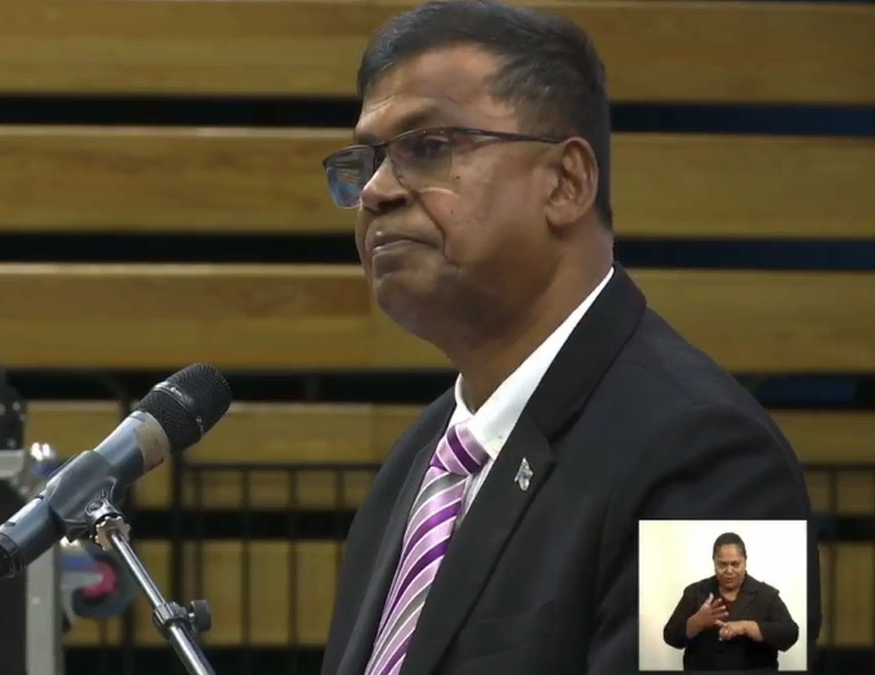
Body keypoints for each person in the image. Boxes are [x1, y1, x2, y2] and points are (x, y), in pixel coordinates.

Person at [315, 2, 821, 674]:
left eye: (428, 147)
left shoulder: (714, 459)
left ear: (567, 182)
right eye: (368, 160)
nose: (376, 191)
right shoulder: (420, 463)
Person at [662, 533, 799, 671]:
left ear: (745, 561)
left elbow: (791, 633)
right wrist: (696, 622)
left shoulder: (766, 595)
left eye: (735, 564)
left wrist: (747, 627)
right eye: (722, 564)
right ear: (714, 562)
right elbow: (670, 636)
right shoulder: (695, 592)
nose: (729, 571)